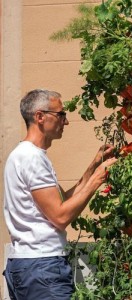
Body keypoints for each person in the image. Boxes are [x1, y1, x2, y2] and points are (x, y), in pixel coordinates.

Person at [3, 89, 117, 300]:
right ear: (40, 117)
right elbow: (60, 216)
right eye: (61, 115)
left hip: (31, 266)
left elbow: (63, 201)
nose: (66, 122)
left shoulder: (27, 155)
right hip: (42, 267)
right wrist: (98, 179)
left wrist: (94, 166)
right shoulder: (31, 158)